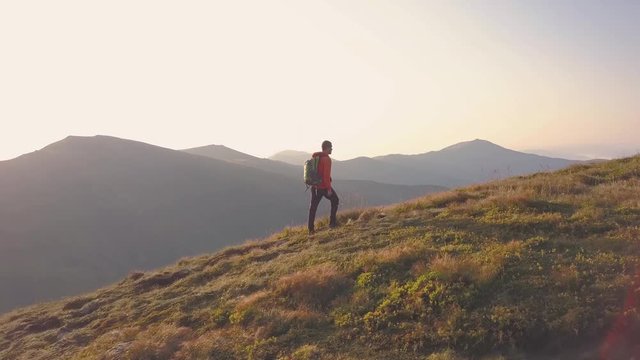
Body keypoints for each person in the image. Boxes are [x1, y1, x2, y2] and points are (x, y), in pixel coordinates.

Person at [308, 140, 339, 234]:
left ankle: (311, 229)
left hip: (314, 186)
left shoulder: (316, 157)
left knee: (313, 207)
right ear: (327, 148)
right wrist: (329, 189)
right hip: (323, 187)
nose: (332, 149)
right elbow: (326, 176)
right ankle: (332, 223)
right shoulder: (327, 159)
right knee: (335, 200)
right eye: (331, 147)